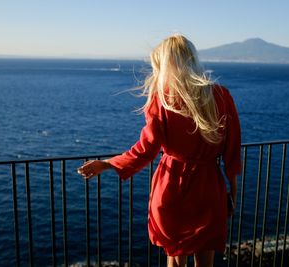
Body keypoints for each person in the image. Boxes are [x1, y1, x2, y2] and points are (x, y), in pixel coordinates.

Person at [78, 34, 241, 267]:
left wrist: (107, 164)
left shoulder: (163, 100)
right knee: (206, 261)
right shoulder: (221, 96)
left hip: (173, 186)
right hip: (209, 188)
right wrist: (232, 195)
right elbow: (232, 151)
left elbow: (145, 150)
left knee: (175, 260)